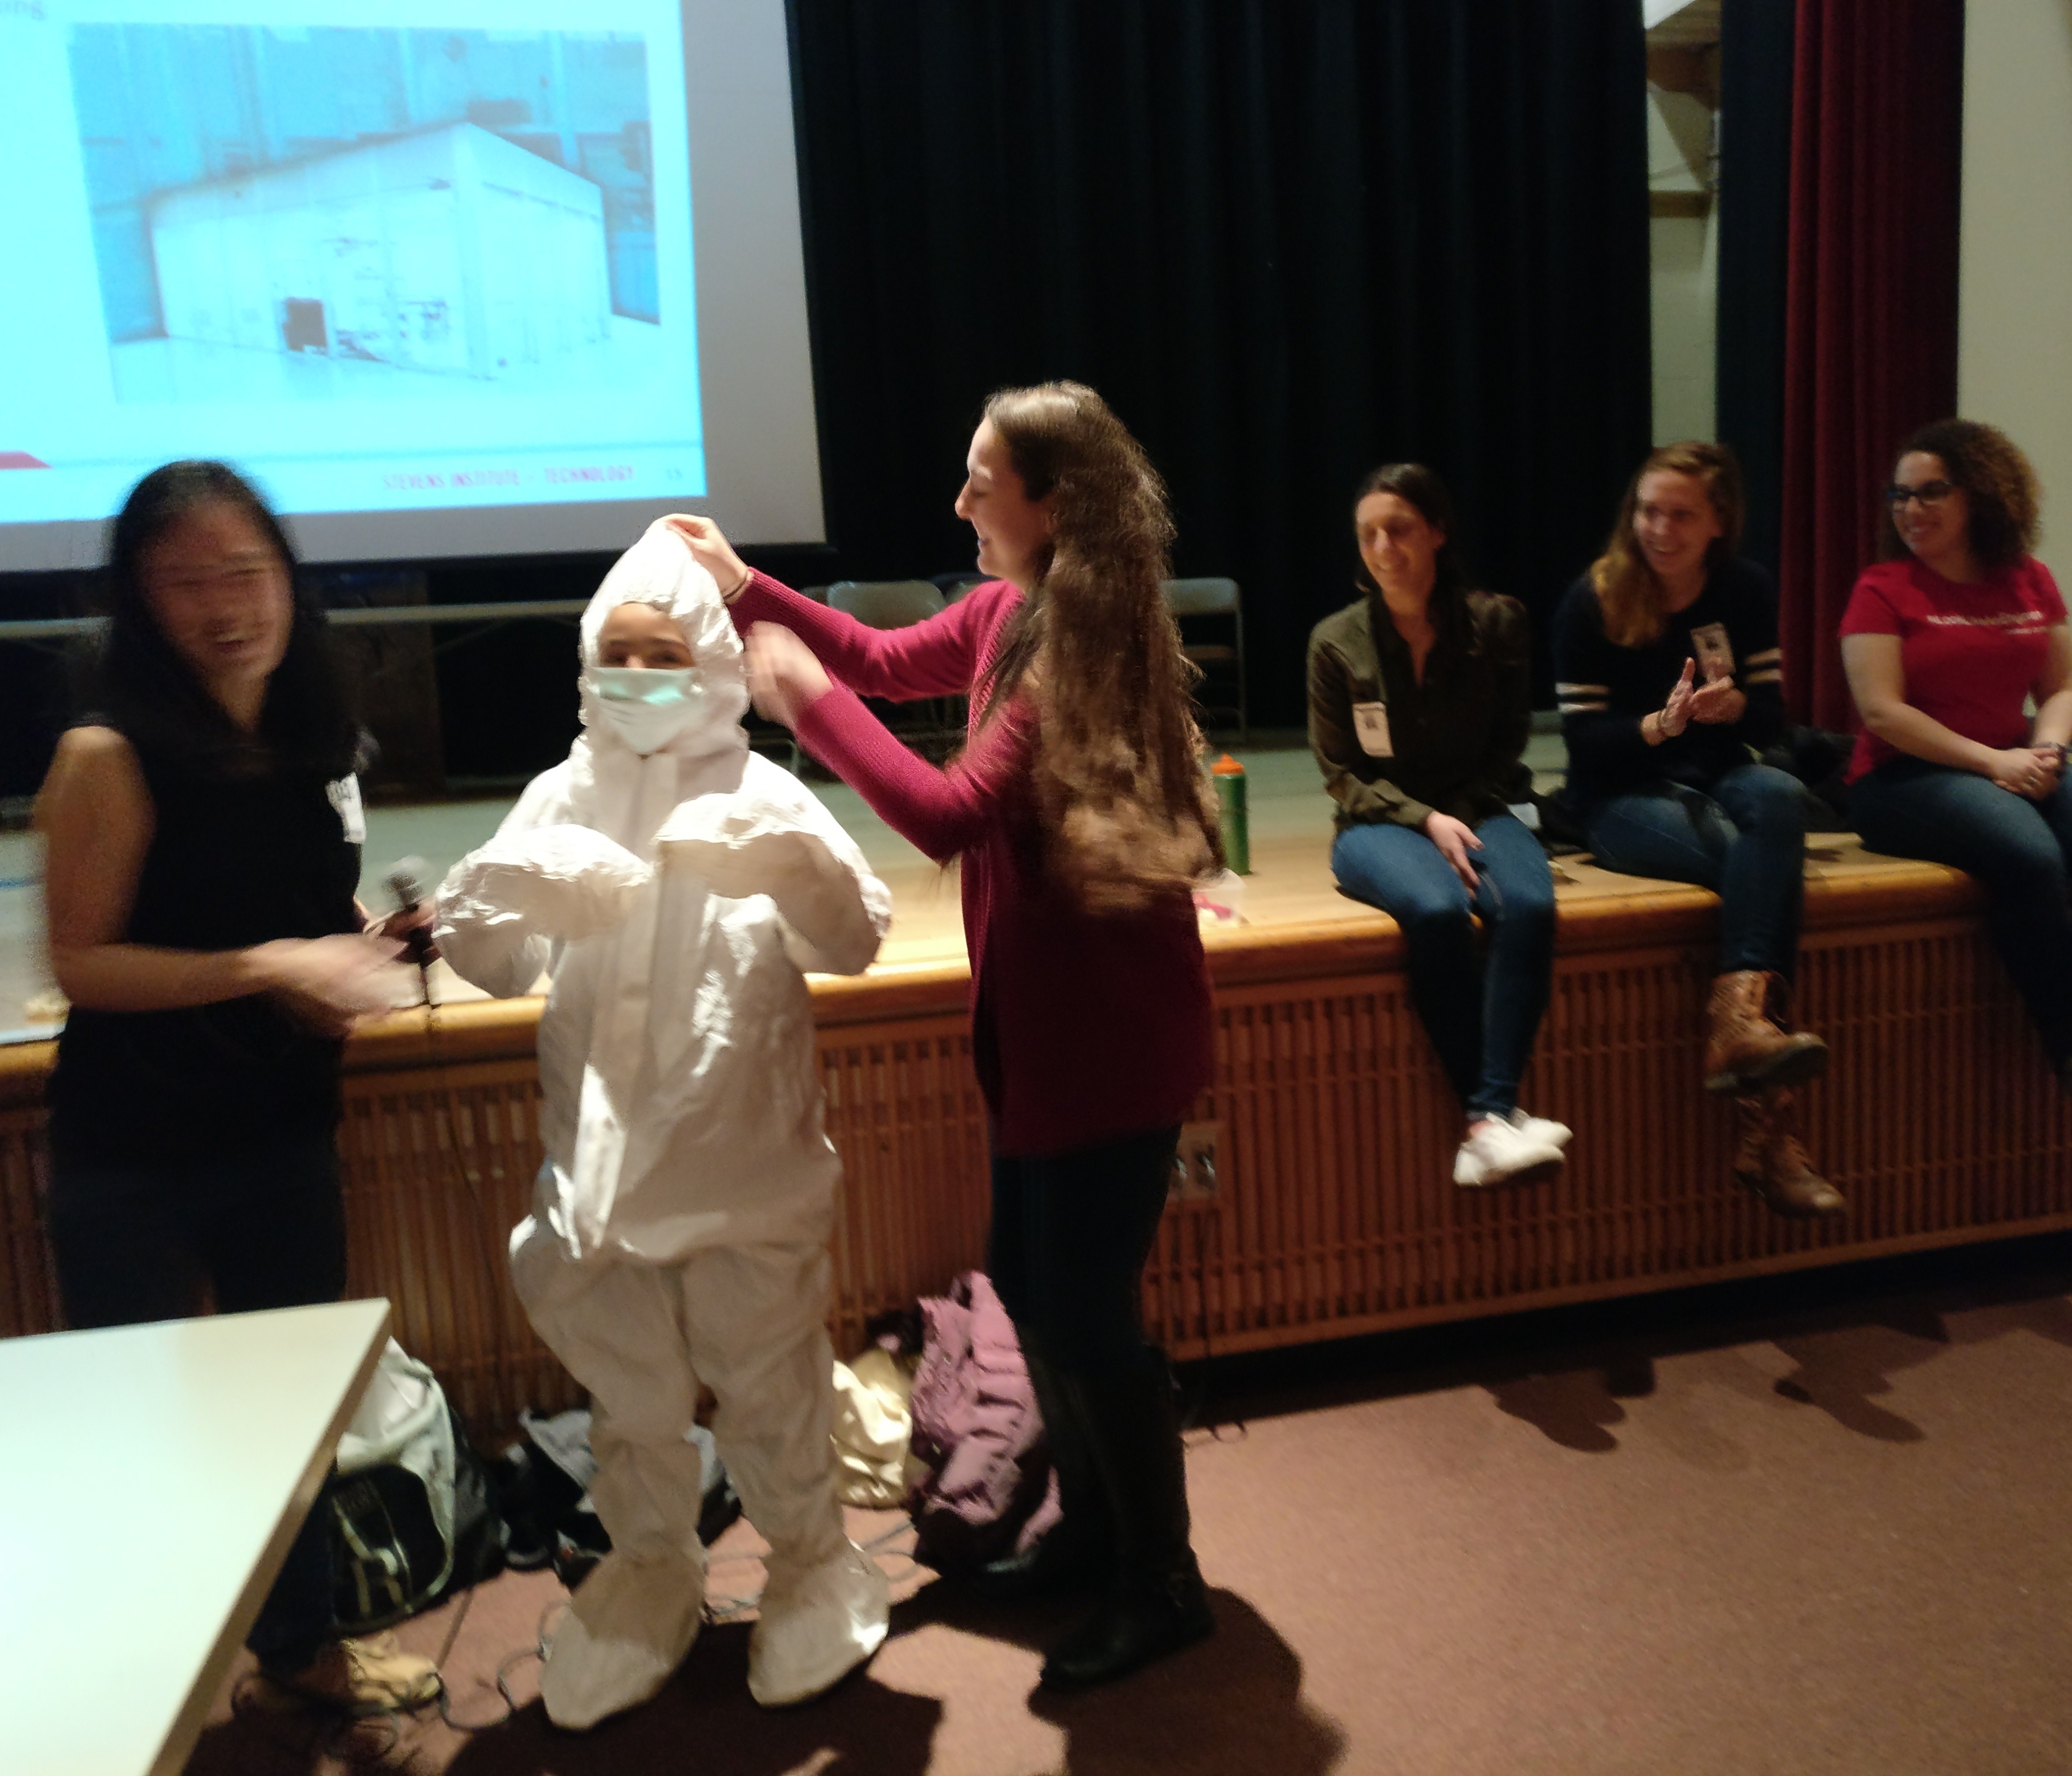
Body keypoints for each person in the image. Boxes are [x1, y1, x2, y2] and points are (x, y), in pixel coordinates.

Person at [664, 380, 1221, 1691]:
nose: (959, 498)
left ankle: (1164, 1581)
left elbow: (945, 810)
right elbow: (879, 656)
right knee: (1037, 1297)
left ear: (1055, 505)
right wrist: (749, 587)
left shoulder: (1073, 649)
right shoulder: (1002, 615)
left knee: (1084, 1320)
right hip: (1046, 1038)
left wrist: (797, 700)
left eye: (983, 478)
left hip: (1110, 1047)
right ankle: (1093, 1536)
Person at [433, 523, 894, 1727]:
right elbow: (492, 960)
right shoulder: (557, 793)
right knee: (629, 1408)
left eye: (663, 650)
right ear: (590, 661)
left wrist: (789, 862)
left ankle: (808, 1566)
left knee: (770, 1387)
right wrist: (506, 894)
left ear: (709, 659)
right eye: (618, 652)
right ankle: (649, 1572)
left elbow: (849, 941)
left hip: (747, 1174)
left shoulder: (762, 788)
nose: (639, 674)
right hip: (598, 1188)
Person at [36, 460, 433, 1715]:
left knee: (287, 1416)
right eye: (186, 581)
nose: (225, 605)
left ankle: (303, 1658)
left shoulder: (310, 732)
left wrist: (377, 942)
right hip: (134, 1152)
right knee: (154, 1434)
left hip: (281, 1127)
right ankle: (151, 1692)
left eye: (245, 572)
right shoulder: (107, 752)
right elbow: (83, 964)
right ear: (138, 600)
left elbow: (309, 911)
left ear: (288, 577)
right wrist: (269, 964)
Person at [1840, 419, 2072, 1117]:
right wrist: (1996, 762)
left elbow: (2059, 689)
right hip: (1902, 779)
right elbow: (1883, 714)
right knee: (2028, 854)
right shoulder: (1883, 588)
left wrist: (2049, 752)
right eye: (1899, 496)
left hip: (2016, 759)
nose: (1911, 509)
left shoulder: (2030, 578)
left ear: (1982, 494)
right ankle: (2070, 1043)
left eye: (1931, 492)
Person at [1554, 442, 1842, 1218]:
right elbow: (1585, 745)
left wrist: (1737, 708)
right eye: (1649, 509)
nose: (1660, 527)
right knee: (1757, 865)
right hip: (1619, 798)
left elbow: (1775, 715)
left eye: (1681, 513)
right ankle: (1770, 1134)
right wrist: (1659, 724)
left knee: (1778, 798)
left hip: (1716, 774)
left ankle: (1739, 1029)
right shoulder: (1596, 598)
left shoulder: (1743, 590)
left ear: (1718, 522)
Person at [1307, 463, 1567, 1189]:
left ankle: (1485, 1122)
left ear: (1438, 534)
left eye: (1400, 529)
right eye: (1369, 535)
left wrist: (1459, 814)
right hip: (1374, 822)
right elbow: (1342, 774)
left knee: (1531, 905)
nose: (1384, 547)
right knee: (1436, 909)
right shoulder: (1335, 641)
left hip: (1482, 804)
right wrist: (1424, 820)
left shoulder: (1496, 622)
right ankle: (1493, 1119)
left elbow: (1509, 744)